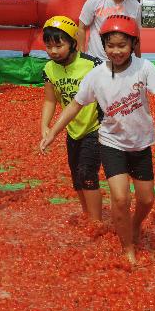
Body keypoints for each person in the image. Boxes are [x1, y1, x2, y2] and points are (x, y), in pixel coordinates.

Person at [41, 15, 155, 266]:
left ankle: (134, 224)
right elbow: (74, 106)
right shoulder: (96, 75)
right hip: (111, 143)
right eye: (111, 45)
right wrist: (52, 132)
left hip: (140, 143)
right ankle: (127, 247)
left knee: (147, 199)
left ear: (133, 45)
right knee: (120, 198)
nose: (116, 51)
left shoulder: (145, 68)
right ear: (103, 45)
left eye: (122, 45)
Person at [38, 15, 103, 225]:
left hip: (96, 127)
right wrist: (45, 126)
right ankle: (87, 215)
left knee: (87, 173)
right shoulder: (49, 69)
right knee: (77, 176)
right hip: (72, 129)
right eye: (49, 46)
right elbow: (50, 100)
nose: (54, 51)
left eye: (59, 45)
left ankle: (96, 221)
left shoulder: (92, 65)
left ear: (73, 42)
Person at [77, 0, 142, 60]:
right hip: (96, 59)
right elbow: (81, 27)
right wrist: (81, 56)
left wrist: (138, 60)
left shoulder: (135, 6)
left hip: (123, 60)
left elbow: (136, 36)